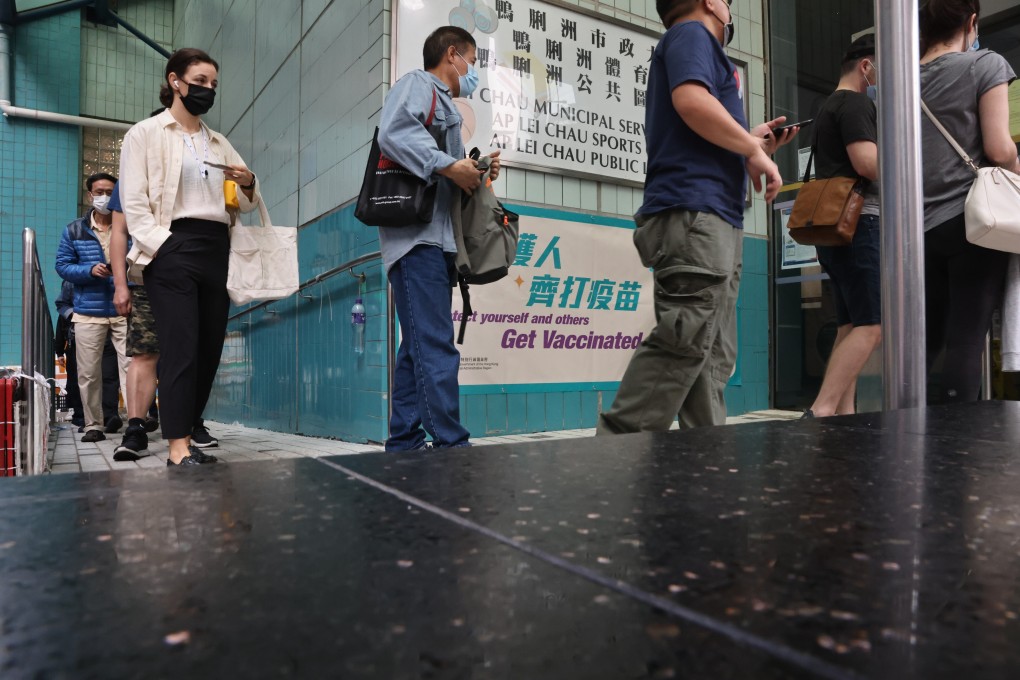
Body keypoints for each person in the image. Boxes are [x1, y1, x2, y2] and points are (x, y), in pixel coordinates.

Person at [596, 0, 794, 434]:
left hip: (709, 216)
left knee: (708, 356)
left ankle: (705, 468)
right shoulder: (692, 35)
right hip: (695, 215)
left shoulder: (692, 42)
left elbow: (697, 117)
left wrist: (750, 140)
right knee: (684, 343)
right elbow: (690, 100)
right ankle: (612, 455)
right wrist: (751, 148)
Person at [119, 48, 260, 467]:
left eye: (213, 84)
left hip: (217, 247)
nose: (207, 90)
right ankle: (177, 446)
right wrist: (163, 245)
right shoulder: (145, 134)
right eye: (200, 81)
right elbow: (134, 201)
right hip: (172, 245)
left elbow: (247, 203)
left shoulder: (218, 141)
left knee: (209, 349)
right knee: (180, 347)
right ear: (175, 81)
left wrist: (250, 182)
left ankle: (188, 427)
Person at [376, 25, 500, 451]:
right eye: (472, 60)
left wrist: (474, 169)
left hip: (436, 241)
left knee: (416, 348)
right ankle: (451, 443)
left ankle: (405, 441)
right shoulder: (417, 84)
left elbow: (442, 168)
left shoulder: (443, 102)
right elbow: (392, 132)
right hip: (417, 241)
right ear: (453, 54)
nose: (473, 72)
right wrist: (449, 166)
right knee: (435, 346)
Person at [920, 0, 1019, 403]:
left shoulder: (897, 83)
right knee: (965, 338)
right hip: (973, 221)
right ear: (972, 21)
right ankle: (956, 449)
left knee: (926, 339)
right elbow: (998, 148)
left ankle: (908, 435)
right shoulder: (985, 65)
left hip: (918, 226)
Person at [108, 178, 219, 461]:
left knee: (191, 351)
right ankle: (135, 428)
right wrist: (120, 284)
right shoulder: (136, 168)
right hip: (147, 276)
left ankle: (191, 424)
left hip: (194, 273)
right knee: (145, 353)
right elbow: (119, 231)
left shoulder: (193, 165)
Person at [803, 35, 882, 418]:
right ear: (866, 66)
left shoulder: (826, 108)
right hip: (860, 224)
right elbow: (866, 162)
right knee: (872, 325)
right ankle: (821, 410)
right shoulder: (855, 103)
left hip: (833, 228)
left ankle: (843, 414)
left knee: (850, 325)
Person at [55, 173, 131, 442]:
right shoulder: (74, 229)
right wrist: (89, 270)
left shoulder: (128, 227)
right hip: (88, 311)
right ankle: (93, 425)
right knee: (88, 373)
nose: (104, 197)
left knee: (130, 369)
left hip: (124, 310)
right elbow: (62, 266)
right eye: (99, 192)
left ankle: (135, 423)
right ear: (89, 195)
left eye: (110, 192)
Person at [54, 280, 122, 432]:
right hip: (82, 336)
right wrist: (77, 316)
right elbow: (62, 308)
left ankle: (109, 417)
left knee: (109, 377)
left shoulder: (114, 276)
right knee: (85, 377)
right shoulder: (72, 280)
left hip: (108, 336)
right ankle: (85, 418)